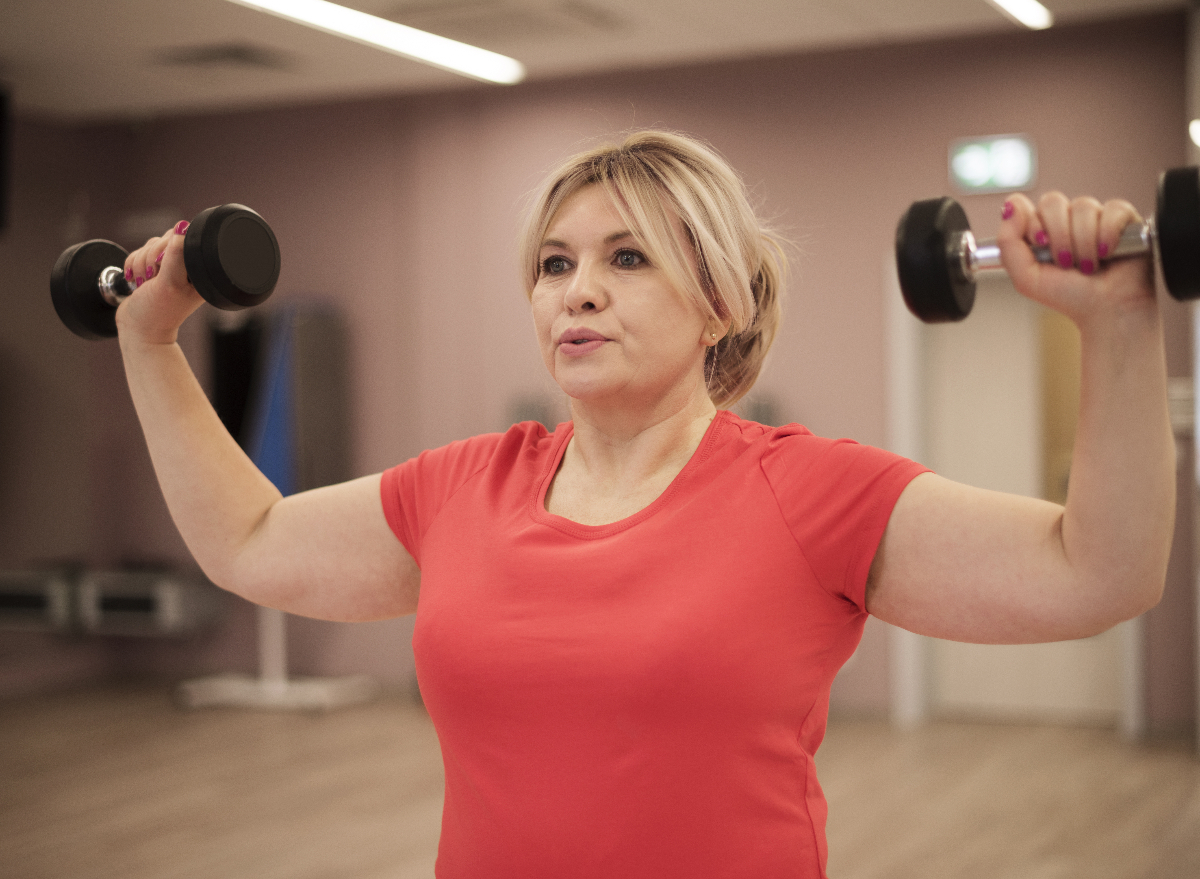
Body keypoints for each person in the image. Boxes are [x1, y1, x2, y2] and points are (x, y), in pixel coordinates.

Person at [114, 130, 1174, 878]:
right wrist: (150, 341)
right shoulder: (459, 488)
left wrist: (1117, 327)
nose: (576, 290)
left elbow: (1099, 573)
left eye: (627, 259)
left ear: (723, 301)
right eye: (554, 263)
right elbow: (248, 540)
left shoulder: (810, 492)